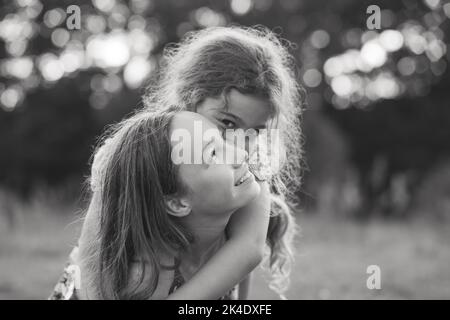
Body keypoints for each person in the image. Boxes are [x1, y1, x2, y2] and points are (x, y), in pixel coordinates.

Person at [50, 25, 303, 300]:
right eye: (227, 123)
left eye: (255, 131)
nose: (239, 145)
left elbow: (248, 250)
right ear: (190, 100)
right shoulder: (136, 158)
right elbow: (92, 249)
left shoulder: (246, 174)